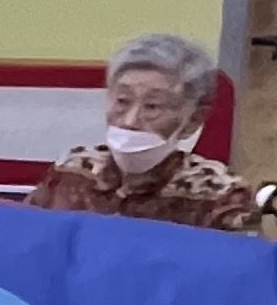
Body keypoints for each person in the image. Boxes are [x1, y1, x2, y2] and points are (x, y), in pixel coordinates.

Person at [26, 31, 260, 232]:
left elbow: (240, 266)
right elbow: (24, 239)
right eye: (122, 100)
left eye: (152, 107)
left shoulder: (220, 196)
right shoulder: (72, 170)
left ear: (192, 120)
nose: (130, 121)